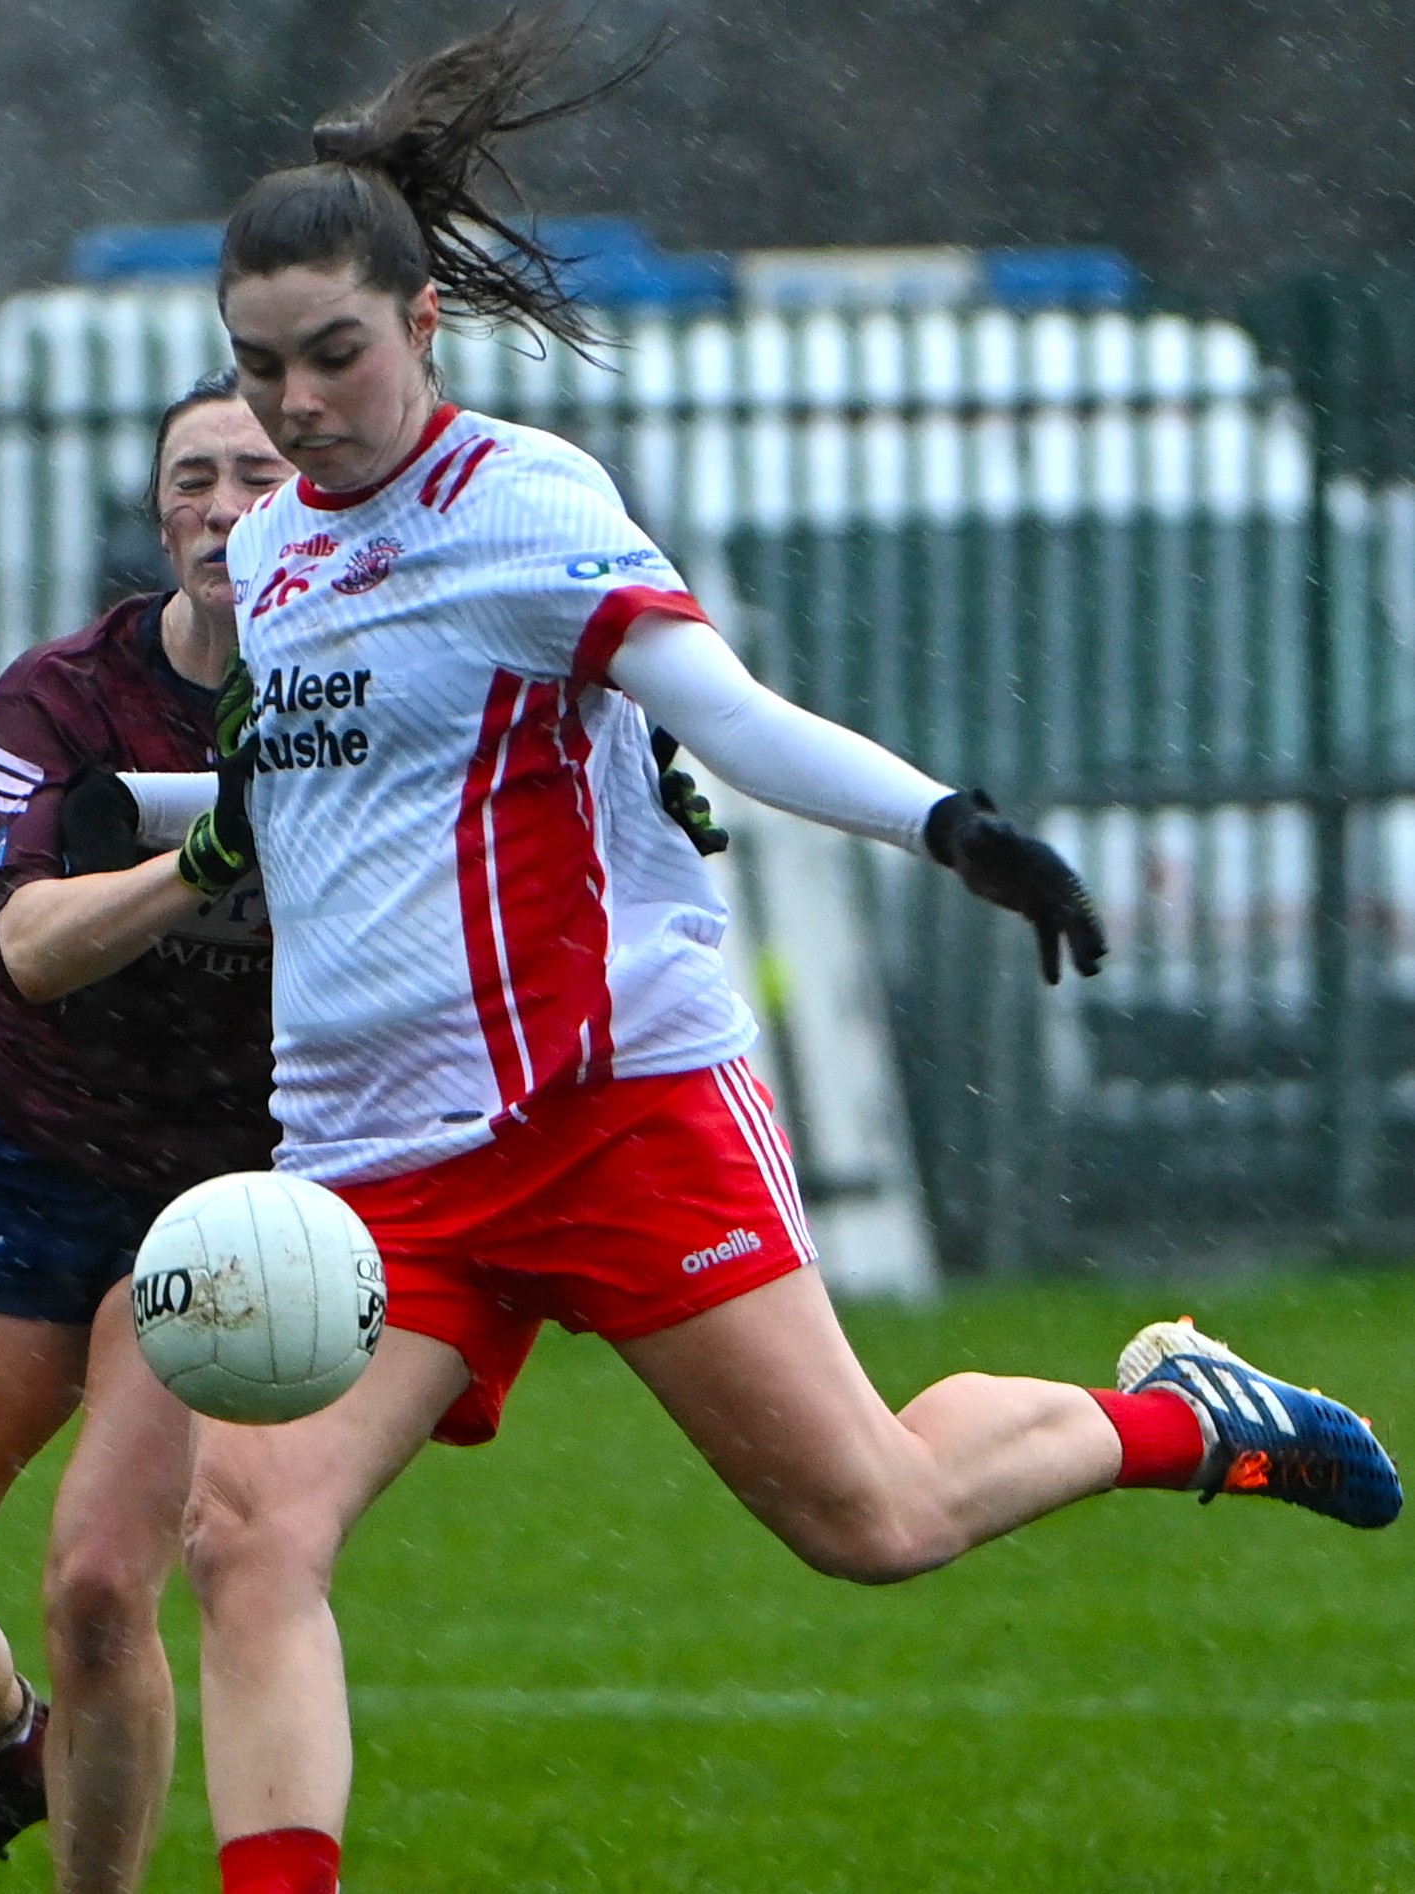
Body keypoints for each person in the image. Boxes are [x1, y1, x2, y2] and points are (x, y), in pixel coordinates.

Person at [174, 19, 1407, 1894]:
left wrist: (951, 825)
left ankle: (1182, 1420)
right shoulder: (268, 555)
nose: (302, 399)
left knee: (875, 1518)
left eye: (335, 354)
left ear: (423, 322)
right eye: (263, 368)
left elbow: (725, 716)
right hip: (367, 1156)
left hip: (608, 1104)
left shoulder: (524, 504)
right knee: (246, 1533)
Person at [0, 371, 292, 1894]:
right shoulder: (64, 694)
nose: (224, 507)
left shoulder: (375, 690)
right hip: (23, 1145)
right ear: (157, 512)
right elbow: (31, 945)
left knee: (101, 1585)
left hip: (224, 1193)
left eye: (258, 475)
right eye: (194, 479)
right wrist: (208, 852)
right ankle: (6, 1753)